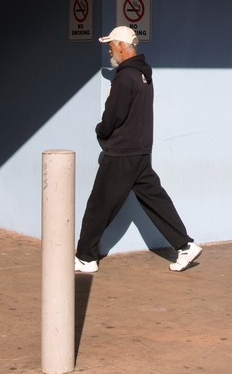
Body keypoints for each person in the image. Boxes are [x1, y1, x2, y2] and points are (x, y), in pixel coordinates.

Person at [75, 26, 202, 274]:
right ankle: (185, 246)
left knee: (98, 205)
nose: (110, 50)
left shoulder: (125, 77)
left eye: (111, 46)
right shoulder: (144, 75)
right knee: (155, 200)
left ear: (122, 46)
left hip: (122, 153)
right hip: (140, 152)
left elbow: (115, 115)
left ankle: (85, 257)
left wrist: (101, 130)